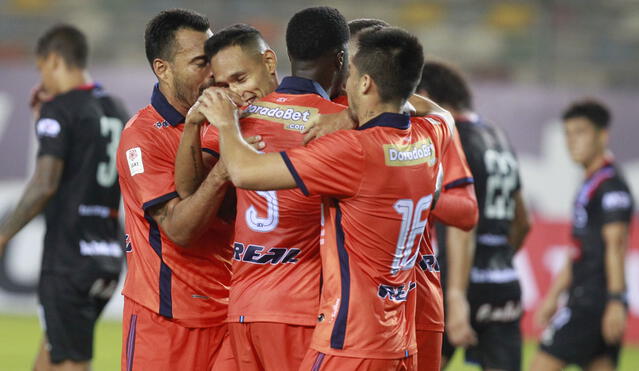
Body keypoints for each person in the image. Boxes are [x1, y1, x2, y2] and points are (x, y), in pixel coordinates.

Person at [196, 25, 454, 371]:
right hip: (398, 339)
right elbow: (442, 115)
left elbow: (244, 172)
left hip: (349, 340)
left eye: (352, 77)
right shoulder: (429, 138)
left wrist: (226, 124)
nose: (344, 85)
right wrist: (352, 114)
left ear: (365, 83)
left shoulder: (353, 151)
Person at [176, 10, 349, 369]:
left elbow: (188, 187)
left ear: (270, 60)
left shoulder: (234, 125)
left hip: (269, 309)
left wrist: (200, 129)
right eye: (224, 85)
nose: (236, 91)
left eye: (239, 78)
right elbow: (188, 195)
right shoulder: (334, 121)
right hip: (278, 311)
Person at [115, 9, 240, 370]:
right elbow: (178, 230)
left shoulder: (229, 118)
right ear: (163, 68)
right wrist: (221, 174)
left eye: (214, 59)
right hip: (167, 323)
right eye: (200, 62)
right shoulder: (141, 138)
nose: (213, 72)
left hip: (232, 315)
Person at [0, 24, 128, 371]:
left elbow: (44, 183)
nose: (43, 78)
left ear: (54, 60)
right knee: (53, 352)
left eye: (42, 69)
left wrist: (3, 235)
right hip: (106, 257)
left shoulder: (61, 108)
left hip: (68, 258)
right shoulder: (116, 108)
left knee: (71, 361)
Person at [418, 61, 531, 371]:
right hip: (504, 283)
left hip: (458, 285)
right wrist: (497, 259)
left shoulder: (452, 138)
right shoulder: (497, 135)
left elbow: (462, 220)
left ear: (425, 96)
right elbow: (524, 222)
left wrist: (456, 295)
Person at [531, 100, 634, 371]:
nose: (571, 141)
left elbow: (617, 246)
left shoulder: (611, 186)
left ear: (602, 136)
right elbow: (578, 248)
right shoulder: (590, 183)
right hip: (588, 298)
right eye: (568, 133)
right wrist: (554, 295)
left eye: (581, 132)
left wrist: (616, 301)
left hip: (591, 302)